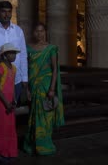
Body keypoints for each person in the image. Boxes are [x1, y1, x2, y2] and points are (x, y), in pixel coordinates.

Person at [23, 23, 64, 156]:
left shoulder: (51, 48)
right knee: (34, 113)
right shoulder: (28, 48)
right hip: (34, 84)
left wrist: (52, 88)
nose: (39, 34)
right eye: (37, 31)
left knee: (46, 115)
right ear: (33, 33)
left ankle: (44, 143)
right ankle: (32, 143)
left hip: (46, 85)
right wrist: (27, 89)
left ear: (45, 32)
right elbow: (26, 68)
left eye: (42, 31)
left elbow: (54, 70)